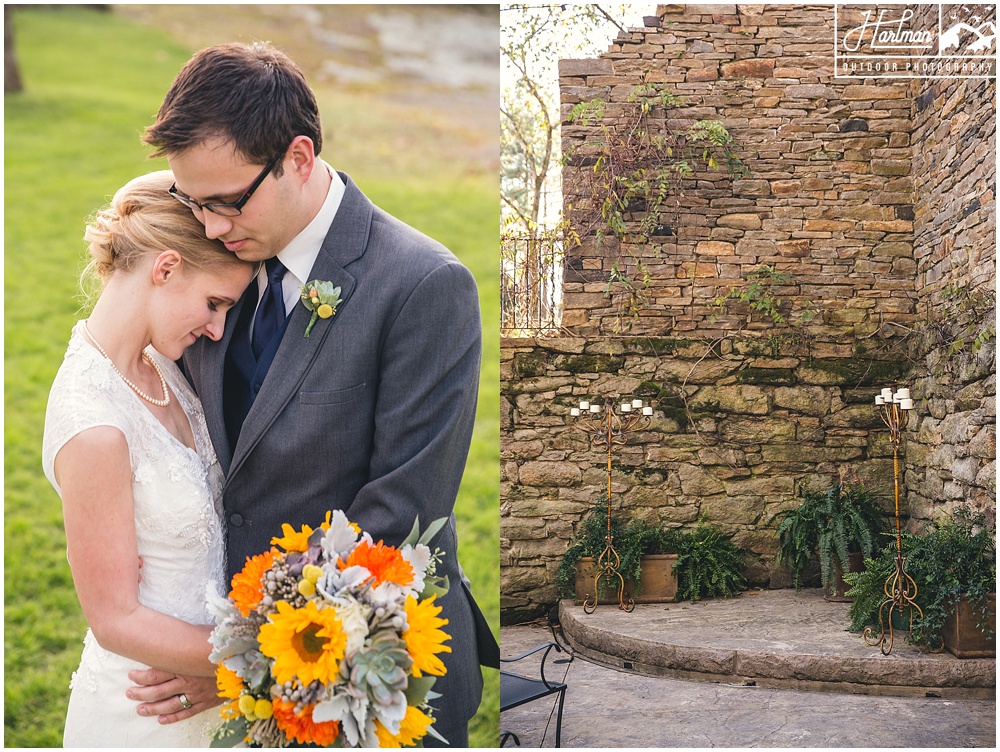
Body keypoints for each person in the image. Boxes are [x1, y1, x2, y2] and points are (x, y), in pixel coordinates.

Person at [125, 42, 498, 746]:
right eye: (191, 201)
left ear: (298, 158)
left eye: (227, 201)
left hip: (370, 676)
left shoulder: (422, 286)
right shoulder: (217, 258)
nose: (208, 226)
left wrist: (248, 663)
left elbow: (397, 516)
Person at [42, 170, 255, 746]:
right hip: (148, 712)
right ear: (164, 268)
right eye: (214, 304)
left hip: (211, 697)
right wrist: (265, 662)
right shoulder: (95, 425)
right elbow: (116, 620)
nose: (216, 329)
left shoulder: (158, 366)